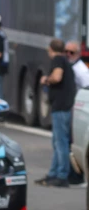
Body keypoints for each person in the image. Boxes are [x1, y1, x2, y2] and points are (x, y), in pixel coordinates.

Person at [38, 38, 76, 187]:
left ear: (50, 49)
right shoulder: (65, 60)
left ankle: (62, 175)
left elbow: (57, 77)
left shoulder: (58, 60)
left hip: (60, 107)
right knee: (57, 142)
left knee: (61, 143)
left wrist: (45, 79)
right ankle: (53, 174)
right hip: (63, 106)